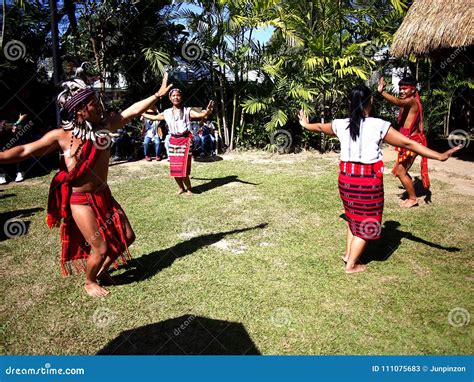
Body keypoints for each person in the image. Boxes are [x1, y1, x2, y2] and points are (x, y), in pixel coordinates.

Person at [0, 73, 173, 296]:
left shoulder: (104, 127)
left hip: (104, 195)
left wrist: (157, 95)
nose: (100, 106)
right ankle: (90, 281)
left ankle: (99, 272)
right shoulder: (60, 136)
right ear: (80, 110)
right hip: (80, 201)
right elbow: (24, 150)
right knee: (100, 248)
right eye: (94, 104)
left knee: (128, 237)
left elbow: (133, 111)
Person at [298, 84, 461, 274]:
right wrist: (439, 156)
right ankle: (351, 265)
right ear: (371, 101)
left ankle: (348, 255)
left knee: (353, 217)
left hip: (346, 179)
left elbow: (318, 126)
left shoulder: (341, 124)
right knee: (367, 222)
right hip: (367, 181)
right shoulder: (378, 125)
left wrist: (305, 125)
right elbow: (408, 142)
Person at [142, 88, 214, 195]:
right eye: (173, 95)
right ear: (170, 98)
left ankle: (189, 189)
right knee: (175, 168)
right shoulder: (166, 113)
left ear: (181, 97)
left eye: (178, 95)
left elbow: (201, 115)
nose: (176, 97)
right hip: (173, 141)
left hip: (185, 141)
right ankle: (181, 188)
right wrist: (141, 113)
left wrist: (208, 111)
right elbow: (155, 117)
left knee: (183, 168)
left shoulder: (187, 111)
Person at [378, 76, 429, 208]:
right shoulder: (409, 101)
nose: (401, 91)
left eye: (405, 89)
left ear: (413, 90)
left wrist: (382, 92)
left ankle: (413, 199)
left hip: (413, 142)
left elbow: (397, 102)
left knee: (400, 171)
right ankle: (411, 190)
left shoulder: (411, 102)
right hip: (409, 141)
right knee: (402, 170)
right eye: (400, 88)